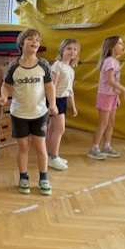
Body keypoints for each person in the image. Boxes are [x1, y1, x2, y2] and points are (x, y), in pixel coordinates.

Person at [0, 28, 57, 195]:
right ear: (21, 43)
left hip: (40, 113)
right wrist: (4, 97)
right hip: (19, 114)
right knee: (23, 146)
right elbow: (6, 86)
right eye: (30, 39)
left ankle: (43, 178)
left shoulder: (43, 65)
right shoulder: (14, 66)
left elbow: (49, 87)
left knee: (40, 146)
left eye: (37, 39)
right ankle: (23, 177)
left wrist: (52, 104)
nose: (34, 42)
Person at [87, 36, 125, 160]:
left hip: (113, 96)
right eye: (120, 43)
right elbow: (110, 80)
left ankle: (106, 146)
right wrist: (123, 89)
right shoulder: (109, 61)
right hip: (105, 95)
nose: (123, 45)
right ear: (111, 47)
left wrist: (117, 95)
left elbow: (115, 80)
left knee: (111, 123)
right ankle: (94, 148)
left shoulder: (116, 61)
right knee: (103, 123)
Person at [46, 38, 79, 171]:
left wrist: (73, 106)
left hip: (63, 100)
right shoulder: (57, 66)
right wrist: (52, 104)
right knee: (60, 129)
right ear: (62, 50)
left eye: (75, 49)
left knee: (53, 129)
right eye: (69, 48)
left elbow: (70, 90)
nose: (72, 51)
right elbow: (52, 86)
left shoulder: (71, 70)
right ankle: (53, 157)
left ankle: (50, 155)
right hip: (55, 99)